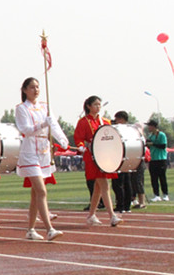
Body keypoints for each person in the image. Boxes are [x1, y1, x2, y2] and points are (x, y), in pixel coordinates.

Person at [14, 77, 66, 241]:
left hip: (44, 151)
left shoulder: (45, 106)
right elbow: (26, 130)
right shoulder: (21, 109)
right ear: (24, 90)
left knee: (35, 194)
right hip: (29, 151)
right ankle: (49, 229)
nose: (35, 90)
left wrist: (62, 140)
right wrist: (43, 124)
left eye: (37, 87)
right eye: (31, 87)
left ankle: (30, 230)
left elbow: (54, 125)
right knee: (41, 190)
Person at [74, 96, 123, 227]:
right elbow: (78, 137)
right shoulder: (83, 122)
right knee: (104, 185)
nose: (98, 107)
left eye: (99, 105)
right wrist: (81, 146)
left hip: (105, 156)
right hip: (92, 157)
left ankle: (91, 215)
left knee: (98, 187)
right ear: (89, 106)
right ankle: (112, 216)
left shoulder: (105, 121)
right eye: (95, 104)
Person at [111, 111, 135, 214]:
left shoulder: (117, 129)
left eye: (117, 119)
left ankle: (120, 205)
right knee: (127, 182)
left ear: (121, 119)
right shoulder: (131, 130)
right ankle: (127, 206)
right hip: (128, 157)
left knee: (118, 184)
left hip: (119, 158)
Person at [145, 119, 169, 201]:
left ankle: (165, 194)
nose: (148, 127)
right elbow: (148, 146)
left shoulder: (161, 135)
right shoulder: (150, 136)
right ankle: (156, 195)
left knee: (162, 177)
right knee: (153, 178)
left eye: (150, 126)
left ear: (153, 126)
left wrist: (153, 144)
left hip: (161, 159)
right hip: (152, 159)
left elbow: (163, 146)